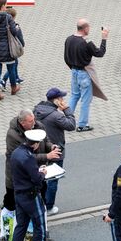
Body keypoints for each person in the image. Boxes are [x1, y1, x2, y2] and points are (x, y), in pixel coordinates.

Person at [1, 109, 61, 241]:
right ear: (22, 123)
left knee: (41, 204)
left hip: (37, 175)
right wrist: (47, 156)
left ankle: (43, 232)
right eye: (30, 121)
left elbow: (45, 141)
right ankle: (4, 235)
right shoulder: (12, 135)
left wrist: (51, 147)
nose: (34, 122)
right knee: (10, 206)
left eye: (34, 119)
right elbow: (22, 158)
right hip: (16, 179)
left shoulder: (38, 125)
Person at [9, 128, 52, 241]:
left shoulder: (16, 152)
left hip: (19, 194)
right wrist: (43, 173)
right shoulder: (29, 157)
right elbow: (37, 179)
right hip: (31, 196)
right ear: (36, 144)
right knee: (39, 225)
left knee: (21, 226)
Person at [33, 87, 76, 215]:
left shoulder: (37, 109)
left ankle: (39, 202)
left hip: (39, 150)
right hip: (55, 150)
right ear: (56, 100)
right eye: (61, 98)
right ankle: (49, 206)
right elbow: (71, 125)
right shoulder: (56, 116)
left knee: (40, 176)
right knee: (53, 178)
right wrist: (67, 110)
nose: (63, 100)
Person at [64, 19, 109, 132]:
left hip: (74, 72)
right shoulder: (86, 43)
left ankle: (66, 121)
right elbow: (100, 53)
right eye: (89, 27)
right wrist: (104, 38)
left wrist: (73, 68)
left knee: (74, 96)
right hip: (84, 74)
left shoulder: (69, 39)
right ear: (85, 28)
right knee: (85, 100)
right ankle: (82, 125)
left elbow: (66, 57)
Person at [0, 7, 25, 89]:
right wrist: (22, 45)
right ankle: (4, 80)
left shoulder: (3, 26)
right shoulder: (15, 26)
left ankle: (16, 78)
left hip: (5, 48)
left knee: (15, 64)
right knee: (13, 66)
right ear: (13, 17)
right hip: (13, 49)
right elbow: (20, 38)